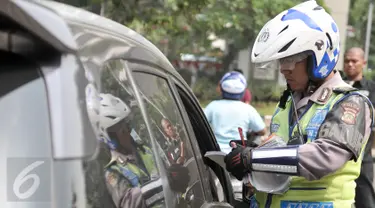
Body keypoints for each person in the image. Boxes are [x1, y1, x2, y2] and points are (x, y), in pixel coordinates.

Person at [224, 1, 374, 208]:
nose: (283, 69)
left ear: (318, 56)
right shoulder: (288, 102)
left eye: (290, 59)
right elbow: (284, 149)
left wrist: (254, 158)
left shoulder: (350, 102)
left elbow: (325, 156)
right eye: (281, 61)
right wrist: (254, 152)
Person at [94, 93, 164, 208]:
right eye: (123, 130)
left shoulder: (145, 151)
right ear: (111, 139)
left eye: (127, 125)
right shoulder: (112, 173)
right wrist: (165, 182)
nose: (129, 131)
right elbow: (130, 203)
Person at [343, 47, 375, 208]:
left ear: (363, 63)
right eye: (347, 61)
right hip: (338, 158)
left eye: (354, 61)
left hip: (363, 158)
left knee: (366, 202)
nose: (350, 64)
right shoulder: (337, 86)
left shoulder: (371, 88)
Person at [205, 71, 266, 154]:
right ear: (243, 91)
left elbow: (199, 122)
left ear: (222, 89)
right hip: (238, 154)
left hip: (215, 152)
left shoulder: (212, 106)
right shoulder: (248, 109)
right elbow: (262, 131)